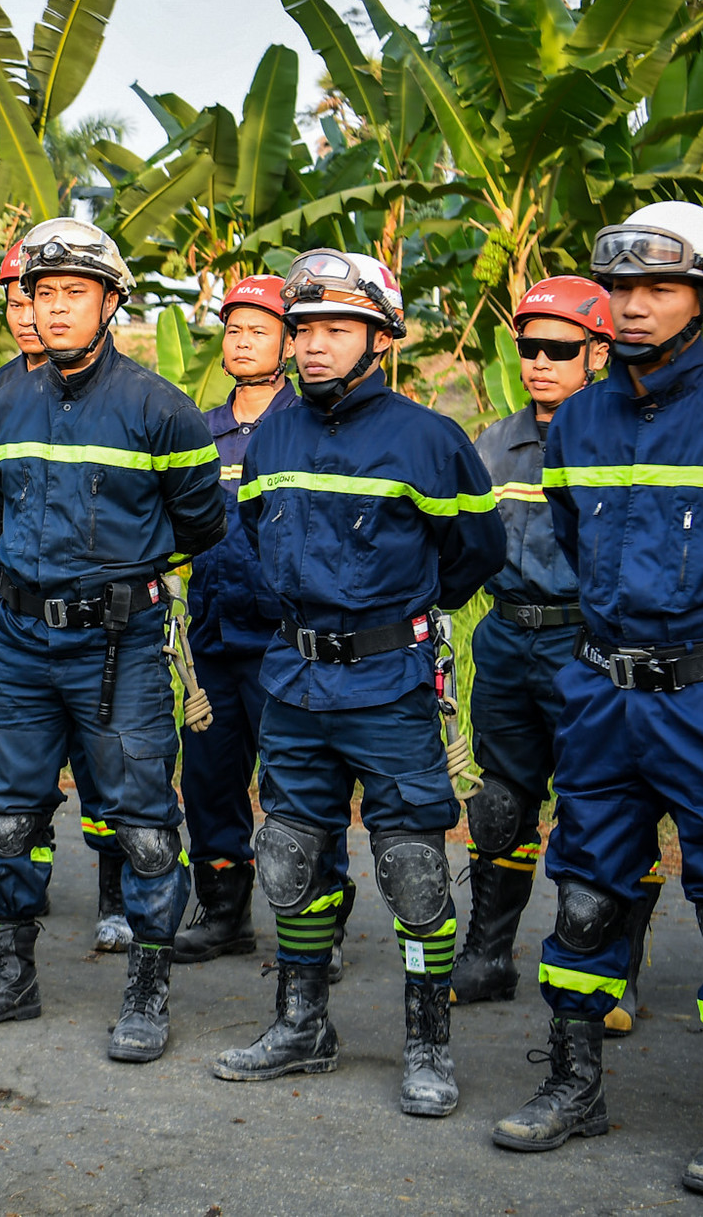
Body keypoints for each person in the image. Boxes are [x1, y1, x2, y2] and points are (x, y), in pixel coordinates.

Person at [492, 201, 703, 1199]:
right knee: (587, 894)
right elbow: (572, 529)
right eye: (621, 288)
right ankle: (572, 1082)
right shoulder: (580, 415)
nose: (632, 307)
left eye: (658, 287)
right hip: (598, 691)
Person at [212, 250, 504, 1117]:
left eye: (336, 328)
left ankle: (428, 1045)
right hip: (295, 682)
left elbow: (472, 557)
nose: (312, 346)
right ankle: (302, 1027)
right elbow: (259, 533)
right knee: (291, 858)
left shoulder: (430, 439)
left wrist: (391, 624)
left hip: (391, 684)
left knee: (414, 867)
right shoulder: (274, 433)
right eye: (302, 329)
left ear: (380, 337)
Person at [0, 218, 227, 1063]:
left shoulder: (159, 408)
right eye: (42, 293)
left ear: (110, 303)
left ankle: (146, 990)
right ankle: (10, 978)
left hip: (121, 645)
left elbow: (199, 523)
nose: (55, 309)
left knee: (141, 824)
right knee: (9, 817)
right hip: (20, 639)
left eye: (75, 294)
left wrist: (117, 580)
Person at [453, 276, 662, 1035]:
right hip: (507, 638)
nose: (539, 362)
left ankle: (614, 968)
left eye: (559, 349)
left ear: (599, 352)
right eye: (528, 347)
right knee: (502, 803)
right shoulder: (492, 443)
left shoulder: (627, 438)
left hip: (592, 645)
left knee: (605, 806)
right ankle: (487, 954)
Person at [0, 239, 134, 952]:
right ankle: (28, 886)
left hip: (103, 621)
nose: (31, 315)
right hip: (18, 611)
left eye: (44, 299)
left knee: (105, 764)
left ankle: (117, 897)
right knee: (19, 772)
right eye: (19, 301)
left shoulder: (121, 394)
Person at [173, 273, 353, 967]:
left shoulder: (307, 427)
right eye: (234, 328)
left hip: (285, 643)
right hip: (212, 638)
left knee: (298, 784)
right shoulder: (200, 428)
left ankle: (321, 921)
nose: (243, 341)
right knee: (211, 781)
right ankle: (224, 912)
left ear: (288, 339)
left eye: (260, 328)